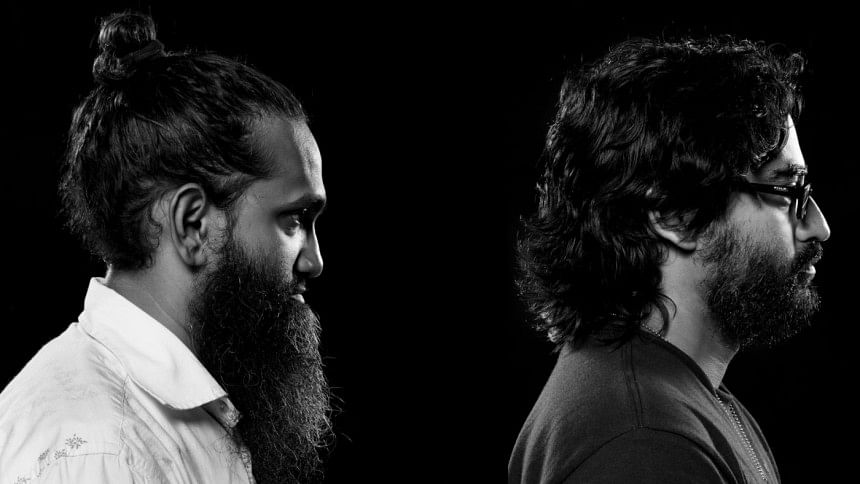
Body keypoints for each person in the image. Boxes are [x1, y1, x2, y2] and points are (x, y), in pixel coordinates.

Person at [0, 12, 331, 483]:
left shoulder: (178, 416)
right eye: (295, 219)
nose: (315, 261)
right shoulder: (101, 451)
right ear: (192, 224)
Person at [509, 37, 830, 483]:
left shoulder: (680, 398)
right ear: (674, 214)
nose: (818, 226)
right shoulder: (643, 443)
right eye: (786, 190)